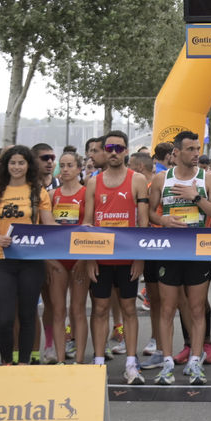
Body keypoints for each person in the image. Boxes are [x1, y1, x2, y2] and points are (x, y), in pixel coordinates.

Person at [149, 131, 211, 385]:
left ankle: (195, 360)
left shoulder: (208, 178)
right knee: (167, 308)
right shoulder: (162, 179)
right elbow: (150, 212)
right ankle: (167, 362)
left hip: (198, 252)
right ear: (176, 153)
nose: (196, 154)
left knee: (196, 308)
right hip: (169, 251)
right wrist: (162, 219)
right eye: (190, 149)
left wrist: (195, 197)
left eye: (197, 149)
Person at [83, 131, 149, 382]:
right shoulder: (93, 182)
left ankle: (131, 362)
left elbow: (143, 224)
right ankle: (98, 360)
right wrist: (89, 258)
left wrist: (139, 258)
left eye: (119, 148)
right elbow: (87, 224)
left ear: (126, 152)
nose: (113, 152)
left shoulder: (137, 180)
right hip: (100, 257)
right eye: (109, 147)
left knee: (129, 308)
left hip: (128, 257)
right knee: (99, 308)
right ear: (103, 150)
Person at [0, 145, 53, 365]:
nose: (16, 167)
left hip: (31, 262)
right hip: (3, 260)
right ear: (6, 165)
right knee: (4, 319)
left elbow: (49, 224)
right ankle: (6, 361)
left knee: (27, 316)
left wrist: (79, 231)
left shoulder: (38, 192)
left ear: (28, 165)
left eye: (21, 163)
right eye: (12, 163)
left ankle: (23, 363)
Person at [47, 151, 89, 365]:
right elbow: (45, 229)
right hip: (58, 259)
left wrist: (85, 258)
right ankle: (61, 359)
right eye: (61, 166)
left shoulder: (85, 193)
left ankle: (79, 360)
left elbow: (90, 227)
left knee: (77, 309)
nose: (64, 170)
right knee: (58, 310)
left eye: (69, 165)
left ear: (79, 168)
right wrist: (50, 260)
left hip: (79, 257)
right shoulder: (52, 195)